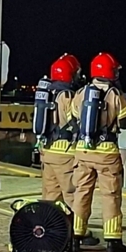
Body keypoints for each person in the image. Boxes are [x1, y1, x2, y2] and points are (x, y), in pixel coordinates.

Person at [70, 52, 126, 252]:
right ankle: (113, 240)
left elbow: (72, 119)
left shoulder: (81, 93)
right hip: (107, 153)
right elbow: (125, 122)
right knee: (111, 195)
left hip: (83, 150)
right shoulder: (114, 94)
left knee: (82, 193)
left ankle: (76, 235)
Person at [35, 53, 82, 205]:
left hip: (47, 151)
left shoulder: (48, 93)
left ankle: (51, 227)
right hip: (64, 154)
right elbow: (75, 122)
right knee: (71, 196)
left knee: (50, 196)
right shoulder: (67, 95)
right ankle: (73, 228)